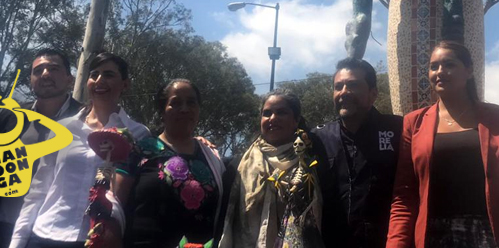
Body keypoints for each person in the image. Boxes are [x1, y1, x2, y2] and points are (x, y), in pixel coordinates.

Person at [10, 52, 150, 248]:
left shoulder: (139, 134)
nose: (99, 80)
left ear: (125, 84)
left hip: (99, 240)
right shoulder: (62, 128)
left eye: (109, 75)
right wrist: (17, 242)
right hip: (45, 235)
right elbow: (38, 191)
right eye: (94, 74)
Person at [387, 40, 499, 248]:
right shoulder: (414, 123)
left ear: (469, 71)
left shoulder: (498, 117)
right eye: (433, 66)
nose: (440, 71)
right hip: (433, 236)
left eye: (449, 64)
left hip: (490, 234)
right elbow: (405, 193)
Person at [0, 48, 84, 247]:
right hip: (2, 229)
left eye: (53, 68)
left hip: (54, 234)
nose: (45, 74)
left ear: (70, 79)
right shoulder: (10, 117)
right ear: (31, 80)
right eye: (38, 70)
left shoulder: (86, 120)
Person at [120, 79, 225, 247]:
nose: (184, 109)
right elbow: (116, 203)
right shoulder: (139, 151)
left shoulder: (213, 158)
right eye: (175, 103)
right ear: (162, 110)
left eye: (191, 102)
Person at [311, 57, 402, 248]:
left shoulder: (399, 130)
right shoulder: (317, 139)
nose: (344, 92)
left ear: (373, 93)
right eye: (338, 86)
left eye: (353, 85)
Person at [219, 90, 324, 248]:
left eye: (281, 112)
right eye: (267, 113)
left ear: (296, 120)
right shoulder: (237, 167)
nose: (272, 118)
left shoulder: (312, 163)